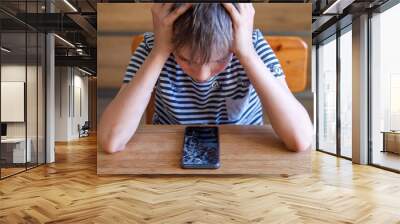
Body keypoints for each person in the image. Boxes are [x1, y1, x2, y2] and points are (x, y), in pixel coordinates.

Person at [99, 3, 313, 154]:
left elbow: (300, 139)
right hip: (168, 155)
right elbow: (111, 140)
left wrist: (246, 53)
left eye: (218, 59)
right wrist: (159, 52)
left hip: (244, 154)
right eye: (185, 59)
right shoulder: (153, 48)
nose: (202, 76)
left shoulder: (252, 46)